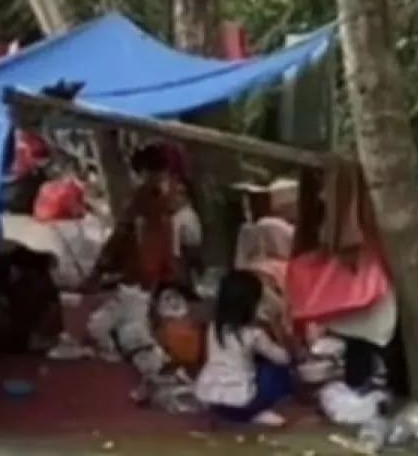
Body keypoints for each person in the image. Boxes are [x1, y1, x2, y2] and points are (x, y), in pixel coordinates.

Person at [195, 270, 293, 427]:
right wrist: (277, 327)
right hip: (242, 401)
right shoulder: (254, 334)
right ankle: (253, 413)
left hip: (211, 398)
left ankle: (234, 416)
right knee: (277, 370)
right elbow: (285, 359)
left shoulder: (213, 327)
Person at [94, 144, 177, 290]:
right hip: (154, 271)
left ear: (142, 172)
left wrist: (99, 269)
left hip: (141, 271)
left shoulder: (141, 198)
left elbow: (121, 232)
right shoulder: (161, 200)